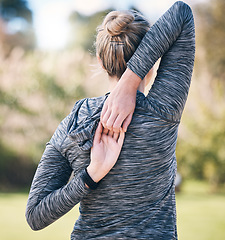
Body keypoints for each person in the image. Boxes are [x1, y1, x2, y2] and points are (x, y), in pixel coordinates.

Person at [26, 1, 195, 239]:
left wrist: (87, 177)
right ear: (153, 59)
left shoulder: (76, 123)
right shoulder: (163, 111)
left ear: (99, 59)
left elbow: (35, 215)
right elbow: (181, 13)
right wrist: (133, 78)